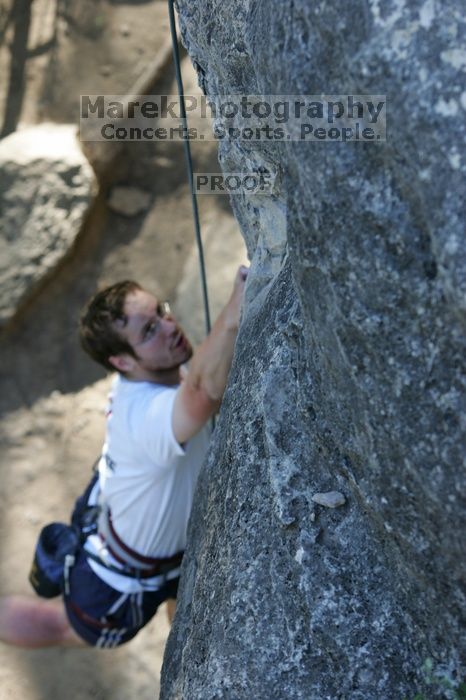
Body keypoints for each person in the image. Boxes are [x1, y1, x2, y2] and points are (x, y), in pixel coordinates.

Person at [0, 265, 248, 648]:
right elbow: (202, 393)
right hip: (118, 577)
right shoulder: (143, 415)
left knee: (181, 599)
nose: (169, 327)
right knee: (58, 626)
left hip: (167, 550)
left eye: (161, 312)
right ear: (122, 362)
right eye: (149, 331)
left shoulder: (157, 371)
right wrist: (234, 312)